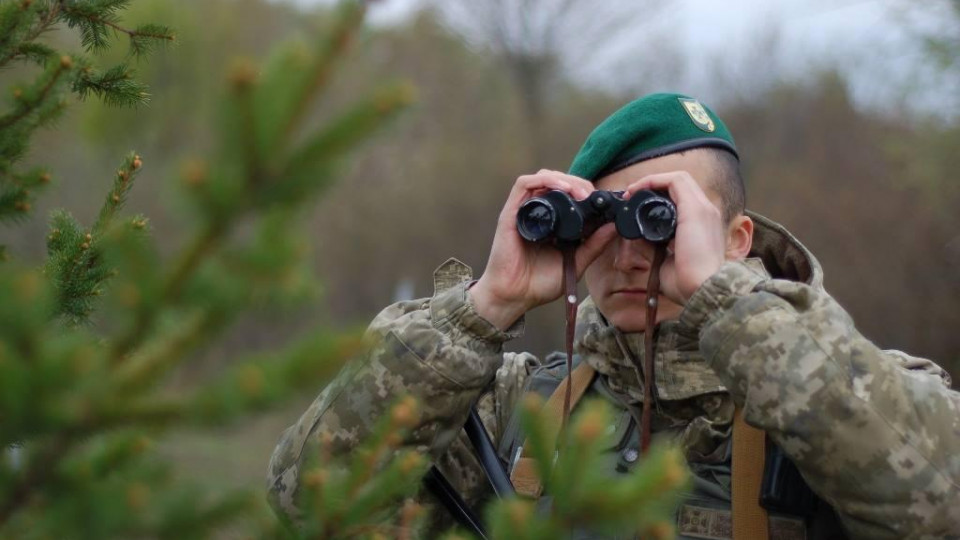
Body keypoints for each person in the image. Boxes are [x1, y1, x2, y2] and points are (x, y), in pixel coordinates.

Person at [266, 93, 960, 539]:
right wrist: (486, 308)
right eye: (602, 222)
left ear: (738, 239)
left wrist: (725, 297)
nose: (629, 255)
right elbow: (308, 502)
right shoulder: (520, 409)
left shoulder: (857, 397)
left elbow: (937, 505)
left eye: (658, 220)